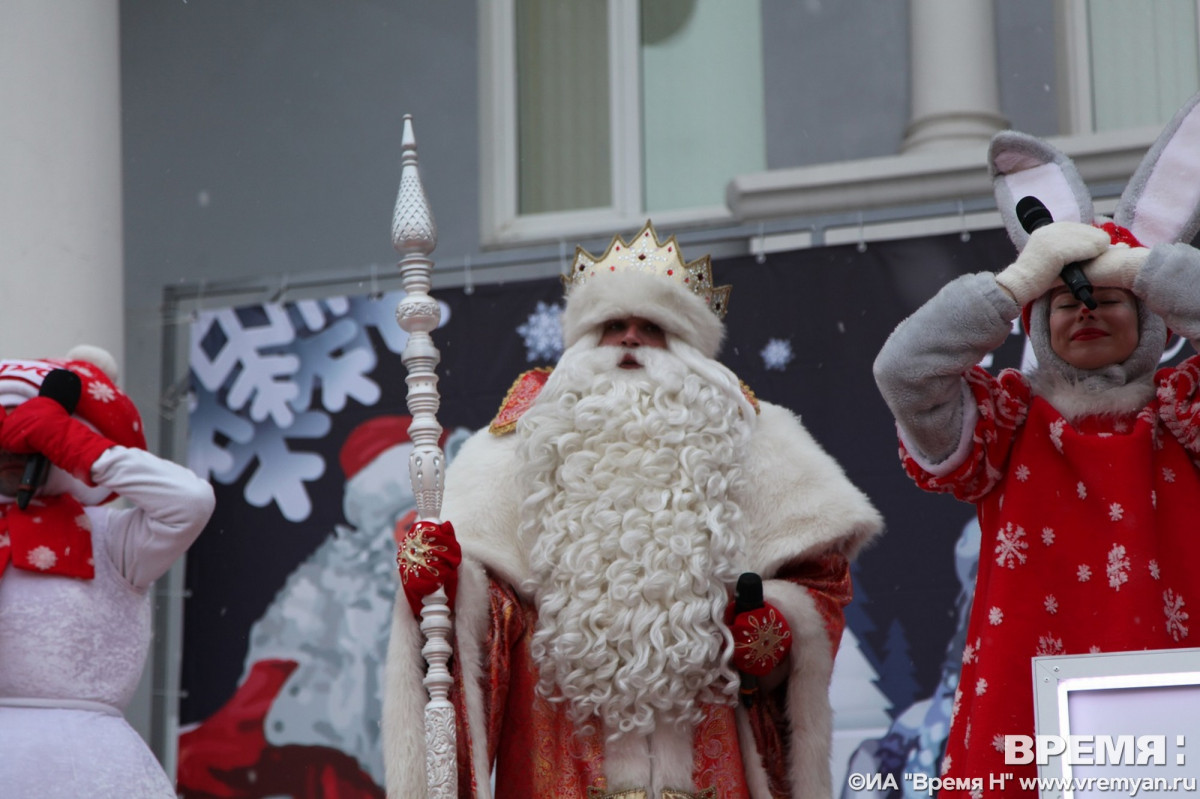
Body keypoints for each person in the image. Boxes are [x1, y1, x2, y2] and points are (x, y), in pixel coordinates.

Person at [383, 222, 884, 798]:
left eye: (652, 328)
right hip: (560, 764)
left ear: (689, 349)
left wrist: (774, 630)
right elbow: (490, 620)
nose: (629, 341)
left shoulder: (751, 438)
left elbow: (818, 585)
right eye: (611, 326)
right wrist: (449, 590)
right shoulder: (519, 445)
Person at [873, 99, 1200, 796]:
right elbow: (903, 371)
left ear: (1150, 318)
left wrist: (1146, 268)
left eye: (1110, 296)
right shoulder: (1006, 425)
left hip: (1178, 709)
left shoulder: (1186, 413)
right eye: (1065, 299)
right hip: (1024, 716)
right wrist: (1018, 282)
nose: (1086, 308)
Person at [177, 415, 468, 799]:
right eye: (407, 525)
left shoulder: (469, 576)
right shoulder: (336, 581)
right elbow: (285, 653)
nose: (417, 540)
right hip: (335, 745)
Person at [0, 348, 216, 799]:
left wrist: (73, 443)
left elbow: (190, 502)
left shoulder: (114, 537)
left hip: (89, 769)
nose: (11, 455)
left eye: (27, 443)